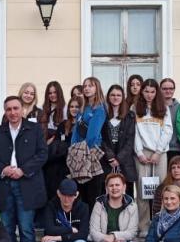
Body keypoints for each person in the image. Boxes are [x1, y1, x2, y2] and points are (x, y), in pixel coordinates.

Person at [0, 96, 48, 242]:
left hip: (27, 185)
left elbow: (42, 154)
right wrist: (3, 169)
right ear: (5, 112)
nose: (12, 113)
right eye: (9, 109)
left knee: (26, 230)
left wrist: (23, 170)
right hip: (5, 185)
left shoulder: (34, 129)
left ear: (22, 110)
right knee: (6, 230)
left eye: (16, 108)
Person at [133, 79, 173, 230]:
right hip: (141, 152)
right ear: (142, 92)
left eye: (152, 92)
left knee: (161, 188)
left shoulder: (164, 108)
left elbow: (168, 131)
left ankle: (161, 223)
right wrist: (139, 152)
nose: (149, 95)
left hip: (160, 152)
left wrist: (158, 152)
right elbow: (134, 132)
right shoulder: (135, 107)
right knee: (143, 190)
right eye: (146, 91)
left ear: (157, 93)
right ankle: (143, 225)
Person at [71, 77, 108, 206]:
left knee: (92, 193)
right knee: (81, 192)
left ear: (97, 88)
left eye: (90, 86)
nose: (86, 88)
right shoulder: (83, 107)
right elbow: (75, 130)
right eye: (85, 86)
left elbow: (92, 136)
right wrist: (73, 149)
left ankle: (94, 225)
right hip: (78, 153)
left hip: (91, 154)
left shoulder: (99, 109)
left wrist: (81, 152)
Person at [43, 96, 81, 209]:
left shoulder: (83, 124)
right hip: (60, 164)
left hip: (76, 165)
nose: (74, 109)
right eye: (71, 106)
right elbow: (57, 142)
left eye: (77, 107)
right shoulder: (64, 124)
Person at [100, 84, 137, 197]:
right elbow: (101, 138)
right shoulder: (103, 115)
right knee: (106, 193)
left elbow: (130, 140)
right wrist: (110, 156)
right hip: (106, 160)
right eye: (112, 95)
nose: (115, 97)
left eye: (118, 95)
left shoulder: (130, 115)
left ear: (122, 97)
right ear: (108, 97)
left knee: (126, 195)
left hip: (125, 161)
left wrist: (119, 159)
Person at [159, 78, 180, 162]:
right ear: (160, 90)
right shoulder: (155, 108)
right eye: (164, 89)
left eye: (171, 88)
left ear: (174, 89)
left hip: (176, 149)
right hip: (159, 149)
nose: (168, 91)